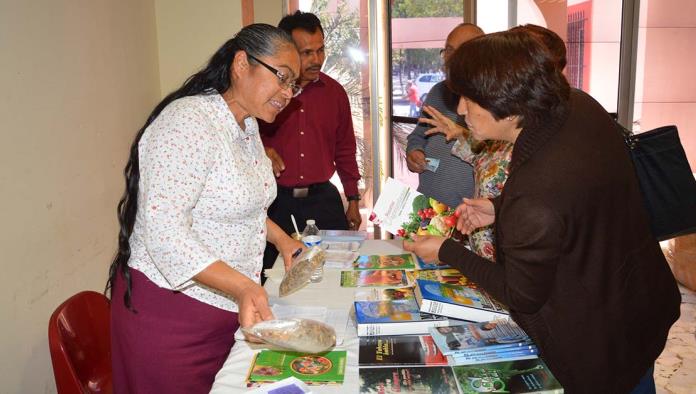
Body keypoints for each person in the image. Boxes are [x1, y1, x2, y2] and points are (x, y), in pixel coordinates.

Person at [404, 30, 681, 393]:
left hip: (596, 340)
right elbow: (574, 193)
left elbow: (521, 294)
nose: (459, 110)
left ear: (505, 100)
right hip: (636, 300)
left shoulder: (533, 193)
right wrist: (498, 207)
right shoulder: (578, 105)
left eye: (470, 99)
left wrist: (445, 249)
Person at [106, 24, 305, 394]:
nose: (288, 93)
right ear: (242, 64)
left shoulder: (246, 127)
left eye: (294, 85)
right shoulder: (188, 122)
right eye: (282, 78)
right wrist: (244, 286)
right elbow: (164, 231)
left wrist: (281, 240)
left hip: (224, 310)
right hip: (172, 316)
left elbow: (238, 206)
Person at [260, 11, 362, 275]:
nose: (317, 59)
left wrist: (352, 198)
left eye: (321, 50)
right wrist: (261, 149)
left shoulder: (335, 93)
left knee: (336, 272)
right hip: (275, 203)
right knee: (274, 276)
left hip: (323, 201)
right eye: (307, 53)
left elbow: (345, 148)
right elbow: (239, 136)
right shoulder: (265, 95)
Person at [405, 23, 483, 209]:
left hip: (469, 215)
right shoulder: (437, 92)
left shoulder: (491, 99)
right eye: (449, 50)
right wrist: (414, 152)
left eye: (462, 51)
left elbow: (494, 156)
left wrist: (461, 135)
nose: (452, 58)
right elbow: (418, 135)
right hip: (427, 208)